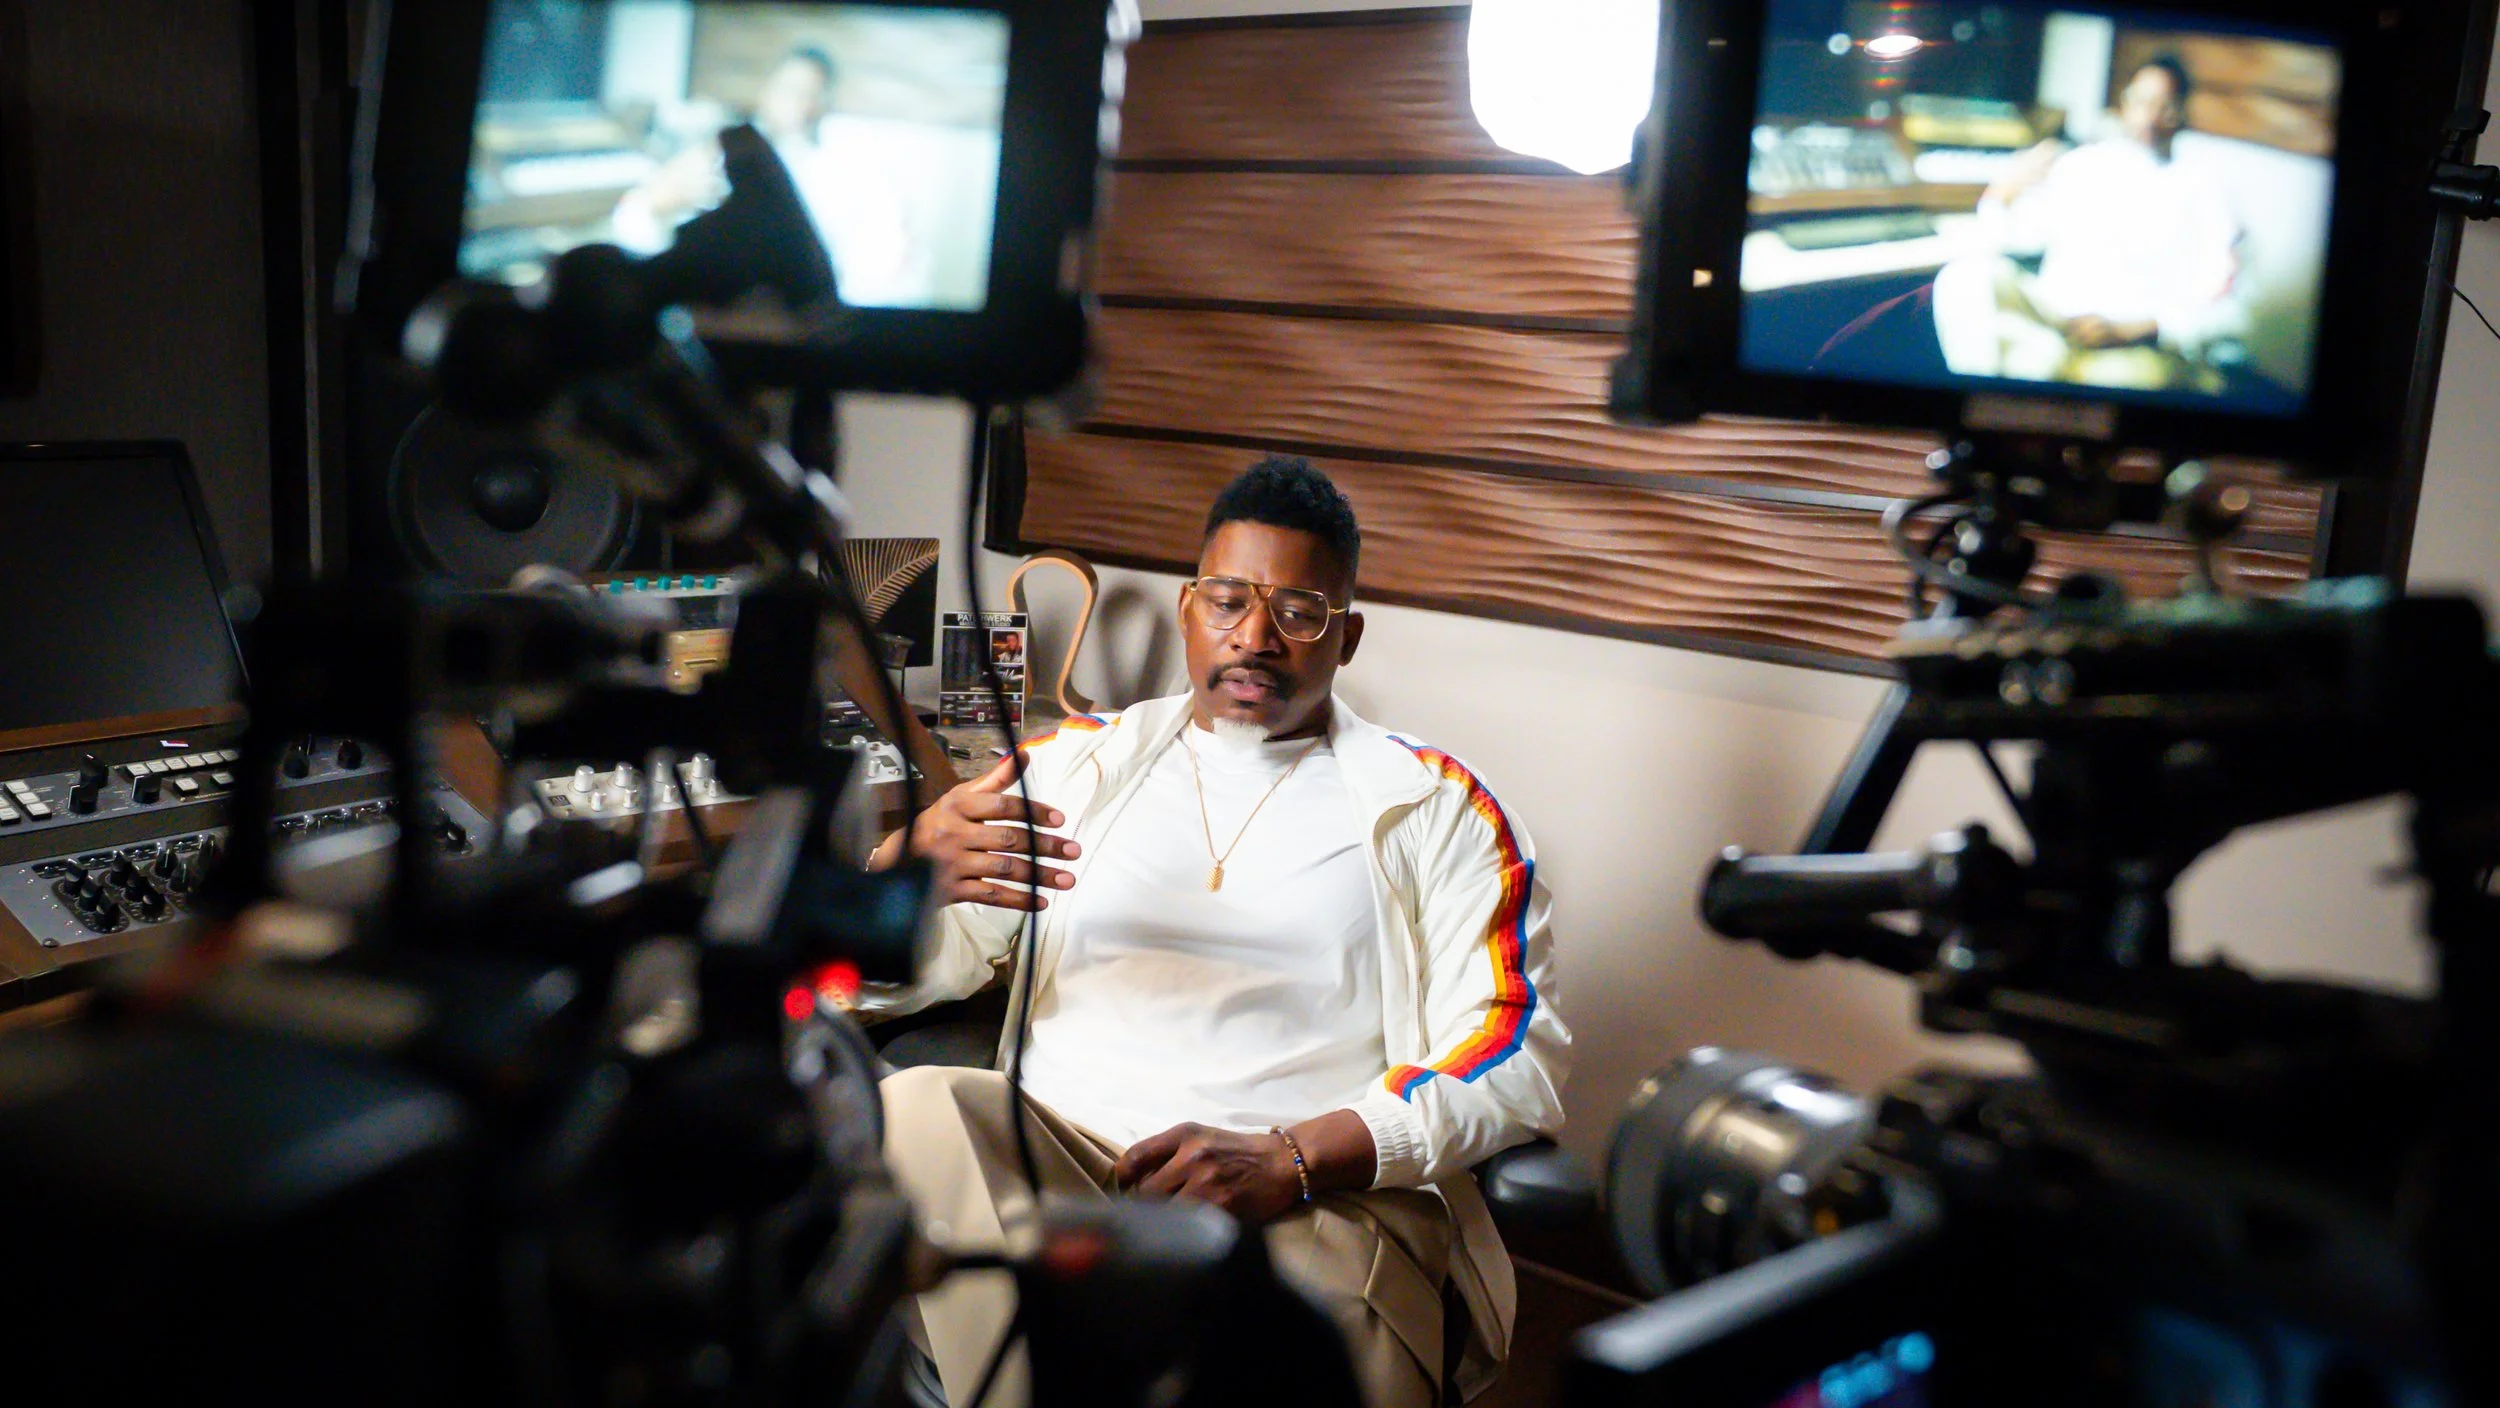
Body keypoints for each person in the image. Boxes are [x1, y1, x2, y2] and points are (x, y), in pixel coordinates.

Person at [862, 457, 1570, 1408]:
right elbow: (897, 979)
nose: (1255, 637)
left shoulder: (1440, 811)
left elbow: (1517, 1060)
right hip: (1062, 1170)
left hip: (1313, 1202)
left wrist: (1293, 1157)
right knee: (915, 1107)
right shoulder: (1068, 773)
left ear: (1347, 636)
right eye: (1230, 601)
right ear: (1190, 609)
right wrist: (899, 886)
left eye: (1299, 612)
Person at [1931, 54, 2249, 393]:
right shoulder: (2082, 165)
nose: (2149, 116)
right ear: (2125, 104)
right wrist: (2002, 194)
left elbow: (2228, 313)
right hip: (2055, 319)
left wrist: (2133, 330)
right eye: (2141, 101)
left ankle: (2037, 374)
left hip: (2130, 341)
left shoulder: (2205, 192)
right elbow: (2016, 237)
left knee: (2126, 376)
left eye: (2164, 106)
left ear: (2182, 112)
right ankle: (2018, 378)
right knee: (1963, 278)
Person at [613, 46, 921, 304]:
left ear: (823, 104)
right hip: (714, 304)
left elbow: (879, 257)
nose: (797, 102)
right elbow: (639, 223)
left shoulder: (844, 172)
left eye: (810, 93)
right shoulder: (719, 152)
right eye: (789, 89)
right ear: (768, 91)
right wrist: (654, 205)